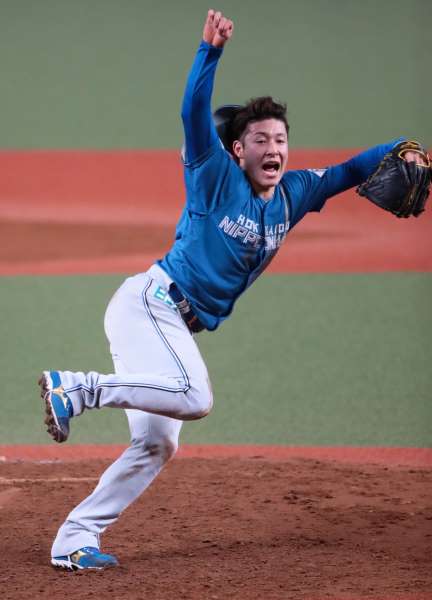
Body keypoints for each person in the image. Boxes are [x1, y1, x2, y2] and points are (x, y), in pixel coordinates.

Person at [39, 9, 426, 571]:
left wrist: (405, 146)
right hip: (150, 305)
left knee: (158, 443)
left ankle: (74, 539)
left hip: (167, 320)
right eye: (260, 139)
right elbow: (191, 113)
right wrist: (210, 51)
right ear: (238, 151)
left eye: (281, 140)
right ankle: (79, 388)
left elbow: (349, 170)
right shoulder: (213, 174)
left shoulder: (294, 194)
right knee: (195, 396)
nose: (274, 148)